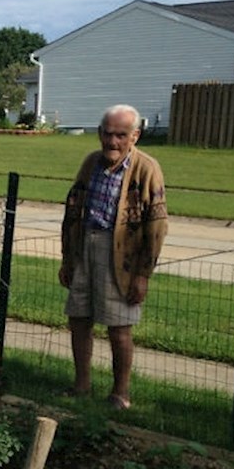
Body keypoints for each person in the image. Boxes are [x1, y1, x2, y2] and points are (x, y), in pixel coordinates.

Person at [58, 104, 168, 409]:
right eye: (107, 134)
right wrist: (67, 257)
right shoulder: (90, 162)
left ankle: (121, 394)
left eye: (121, 135)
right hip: (85, 247)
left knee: (119, 327)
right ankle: (81, 386)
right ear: (99, 133)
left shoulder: (147, 168)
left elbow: (157, 227)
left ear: (135, 136)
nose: (113, 142)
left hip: (122, 255)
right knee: (79, 319)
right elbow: (72, 209)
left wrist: (143, 274)